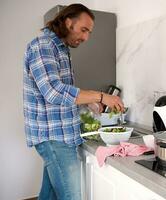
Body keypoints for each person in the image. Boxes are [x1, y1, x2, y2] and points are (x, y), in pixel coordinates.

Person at [23, 4, 124, 200]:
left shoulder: (61, 49)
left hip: (59, 135)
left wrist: (87, 103)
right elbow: (53, 92)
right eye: (84, 29)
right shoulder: (44, 46)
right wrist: (101, 96)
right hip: (54, 137)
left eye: (89, 32)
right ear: (68, 22)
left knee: (49, 194)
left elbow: (61, 93)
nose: (86, 37)